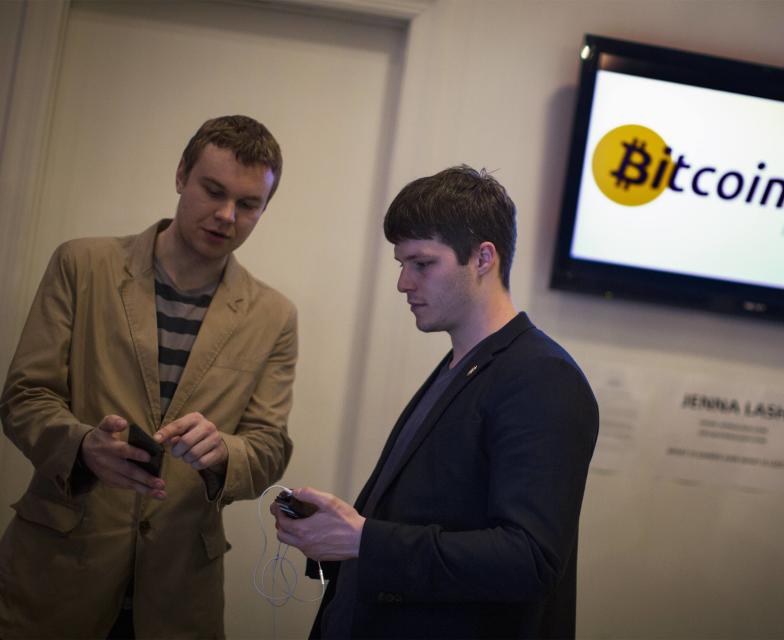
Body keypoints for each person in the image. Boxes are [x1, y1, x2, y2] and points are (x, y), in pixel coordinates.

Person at [0, 115, 297, 638]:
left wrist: (226, 451)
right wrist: (82, 446)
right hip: (57, 573)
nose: (226, 215)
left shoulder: (273, 315)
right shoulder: (82, 264)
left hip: (180, 592)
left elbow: (269, 447)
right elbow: (25, 396)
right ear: (181, 175)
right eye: (213, 190)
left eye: (248, 205)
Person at [272, 165, 599, 639]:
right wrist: (336, 537)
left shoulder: (543, 378)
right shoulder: (462, 365)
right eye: (401, 264)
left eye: (422, 264)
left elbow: (529, 558)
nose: (404, 283)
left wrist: (365, 539)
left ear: (483, 257)